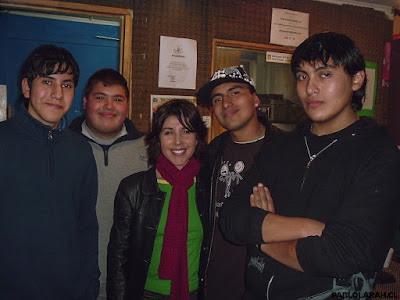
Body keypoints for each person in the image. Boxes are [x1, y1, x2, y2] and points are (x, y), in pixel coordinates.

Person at [219, 32, 400, 299]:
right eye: (302, 76)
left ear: (357, 79)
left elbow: (340, 253)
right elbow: (232, 219)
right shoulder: (281, 146)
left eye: (324, 74)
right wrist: (307, 228)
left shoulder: (380, 155)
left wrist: (261, 237)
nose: (310, 88)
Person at [0, 44, 99, 299]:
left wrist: (90, 283)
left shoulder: (81, 150)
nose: (57, 93)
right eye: (47, 81)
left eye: (66, 85)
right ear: (26, 87)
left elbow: (86, 225)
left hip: (69, 291)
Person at [107, 99, 212, 299]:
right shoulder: (133, 188)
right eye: (168, 132)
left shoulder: (208, 186)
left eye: (186, 131)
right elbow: (118, 259)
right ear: (157, 140)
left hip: (195, 293)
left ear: (197, 138)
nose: (178, 141)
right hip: (145, 294)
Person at [195, 65, 278, 299]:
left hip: (264, 280)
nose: (226, 103)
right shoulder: (210, 153)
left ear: (255, 100)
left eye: (235, 92)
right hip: (215, 280)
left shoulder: (285, 150)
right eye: (217, 99)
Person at [69, 68, 148, 299]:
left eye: (118, 99)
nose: (109, 106)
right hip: (74, 280)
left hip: (130, 282)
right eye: (100, 97)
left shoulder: (150, 150)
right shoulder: (62, 147)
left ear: (127, 105)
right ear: (85, 101)